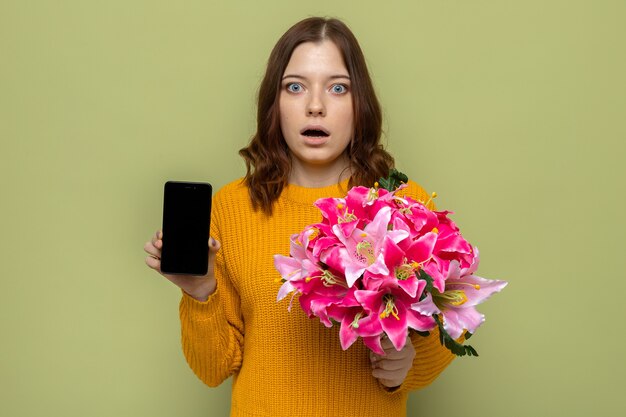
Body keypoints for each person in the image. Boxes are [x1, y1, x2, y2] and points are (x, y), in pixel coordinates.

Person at [144, 17, 457, 417]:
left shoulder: (401, 202)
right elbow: (214, 370)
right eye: (295, 86)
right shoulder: (231, 207)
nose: (315, 105)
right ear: (274, 104)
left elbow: (447, 324)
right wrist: (199, 291)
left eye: (338, 87)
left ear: (359, 103)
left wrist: (407, 363)